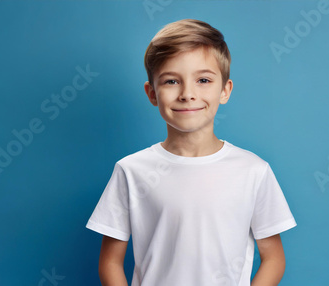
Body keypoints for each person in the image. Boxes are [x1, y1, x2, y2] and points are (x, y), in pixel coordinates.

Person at [86, 19, 297, 286]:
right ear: (152, 93)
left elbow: (274, 258)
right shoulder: (131, 170)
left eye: (203, 80)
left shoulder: (253, 170)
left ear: (225, 90)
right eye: (172, 81)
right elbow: (110, 262)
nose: (188, 94)